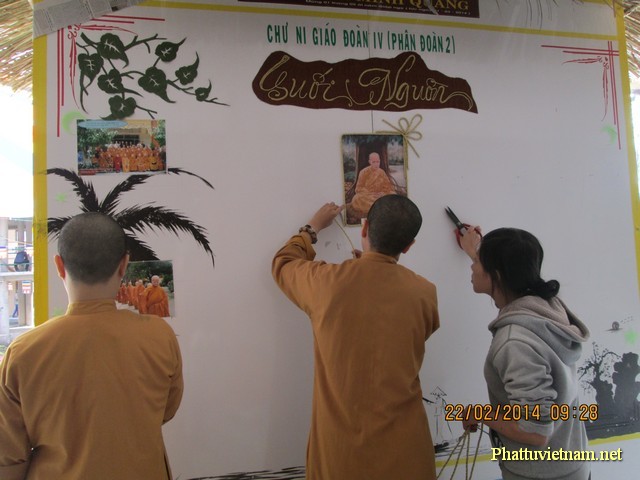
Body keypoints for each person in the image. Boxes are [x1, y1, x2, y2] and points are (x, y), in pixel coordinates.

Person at [0, 212, 183, 480]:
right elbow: (166, 409)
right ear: (124, 265)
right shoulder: (160, 336)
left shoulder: (23, 352)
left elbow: (8, 458)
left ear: (59, 266)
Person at [272, 195, 440, 480]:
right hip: (407, 455)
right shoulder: (425, 292)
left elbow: (283, 263)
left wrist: (312, 228)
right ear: (408, 246)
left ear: (364, 228)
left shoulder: (326, 284)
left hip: (341, 457)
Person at [458, 226, 591, 480]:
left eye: (478, 262)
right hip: (569, 463)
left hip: (542, 474)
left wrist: (479, 413)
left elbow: (535, 431)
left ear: (497, 275)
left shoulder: (516, 343)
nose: (472, 267)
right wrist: (475, 251)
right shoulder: (545, 308)